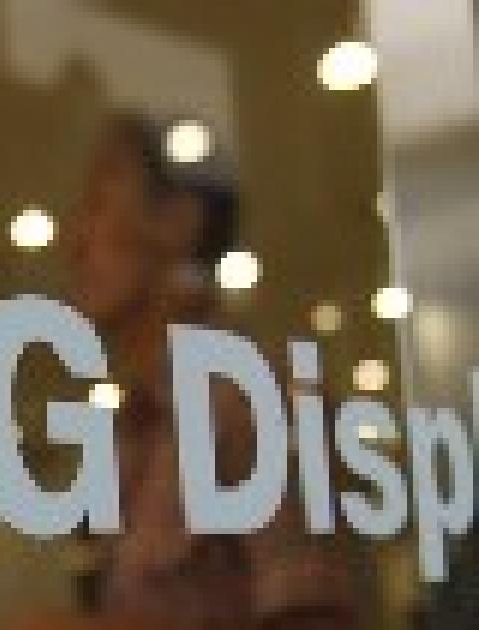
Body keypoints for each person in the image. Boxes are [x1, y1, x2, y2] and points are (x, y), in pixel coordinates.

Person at [59, 114, 358, 629]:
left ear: (179, 221)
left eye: (98, 204)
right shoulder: (138, 433)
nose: (74, 241)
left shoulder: (256, 395)